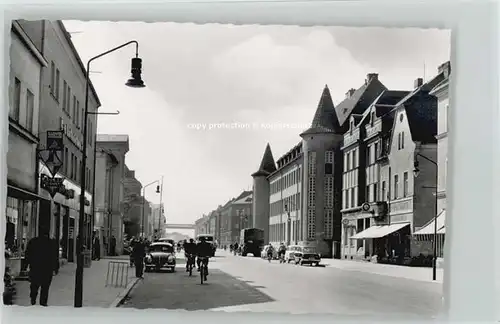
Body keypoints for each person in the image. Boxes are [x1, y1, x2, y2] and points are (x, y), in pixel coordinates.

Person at [25, 225, 59, 306]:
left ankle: (33, 299)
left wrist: (26, 265)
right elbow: (55, 257)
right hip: (47, 270)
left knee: (34, 285)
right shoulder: (51, 243)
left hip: (35, 268)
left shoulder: (33, 242)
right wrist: (55, 268)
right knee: (45, 288)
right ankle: (43, 303)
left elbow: (28, 255)